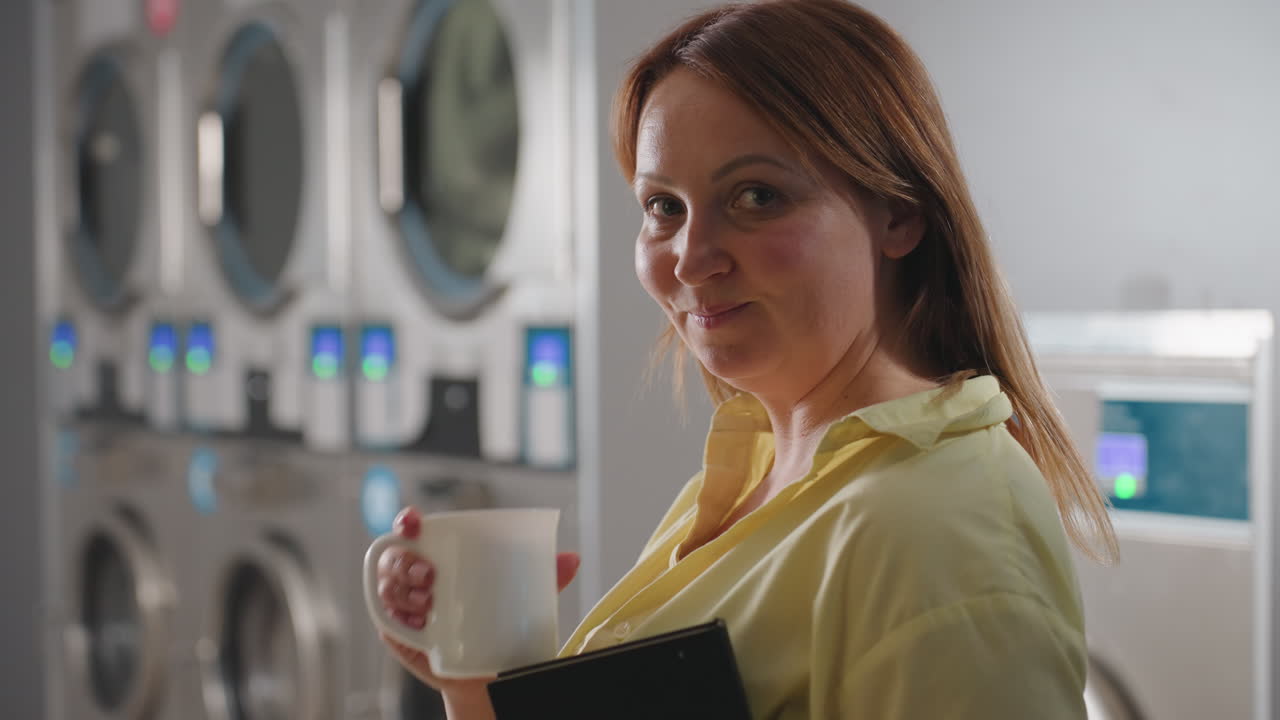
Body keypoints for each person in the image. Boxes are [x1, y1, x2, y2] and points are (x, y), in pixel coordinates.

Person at [375, 1, 1117, 717]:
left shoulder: (945, 527)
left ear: (898, 214)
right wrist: (475, 687)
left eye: (757, 197)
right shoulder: (751, 473)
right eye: (664, 207)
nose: (692, 259)